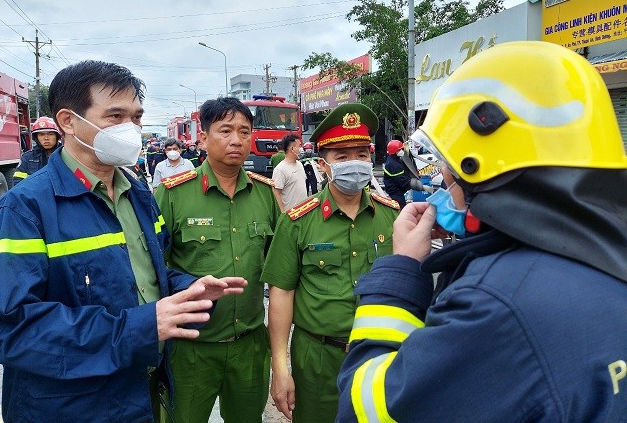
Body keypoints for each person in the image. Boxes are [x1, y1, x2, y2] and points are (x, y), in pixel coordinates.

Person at [336, 41, 627, 422]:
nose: (442, 176)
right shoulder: (604, 249)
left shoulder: (496, 304)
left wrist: (402, 268)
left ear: (479, 165)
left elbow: (366, 410)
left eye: (448, 164)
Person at [0, 60, 247, 423]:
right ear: (68, 121)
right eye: (115, 116)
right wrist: (140, 327)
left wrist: (188, 289)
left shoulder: (137, 194)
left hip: (141, 393)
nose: (131, 129)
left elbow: (144, 276)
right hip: (69, 408)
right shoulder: (24, 209)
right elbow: (10, 328)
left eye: (137, 117)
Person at [262, 103, 400, 423]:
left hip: (380, 354)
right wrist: (280, 370)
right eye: (342, 156)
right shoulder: (298, 221)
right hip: (317, 359)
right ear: (324, 165)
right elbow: (281, 294)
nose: (355, 162)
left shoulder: (392, 216)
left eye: (361, 154)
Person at [155, 97, 279, 423]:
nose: (236, 140)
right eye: (225, 130)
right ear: (203, 135)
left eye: (244, 131)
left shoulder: (266, 194)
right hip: (192, 349)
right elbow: (153, 268)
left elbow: (282, 268)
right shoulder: (172, 194)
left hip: (250, 347)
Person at [11, 116, 62, 186]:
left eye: (50, 134)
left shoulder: (66, 155)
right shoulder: (27, 158)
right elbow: (18, 183)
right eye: (41, 134)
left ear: (57, 136)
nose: (46, 138)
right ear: (36, 138)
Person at [272, 133, 307, 211]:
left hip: (304, 212)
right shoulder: (280, 169)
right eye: (299, 146)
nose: (302, 149)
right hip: (291, 215)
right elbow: (276, 193)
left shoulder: (300, 164)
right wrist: (283, 214)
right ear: (292, 149)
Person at [383, 139, 412, 209]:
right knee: (400, 210)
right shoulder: (394, 165)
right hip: (396, 193)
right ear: (395, 151)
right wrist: (412, 184)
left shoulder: (393, 159)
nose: (401, 151)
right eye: (399, 150)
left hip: (396, 191)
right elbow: (402, 180)